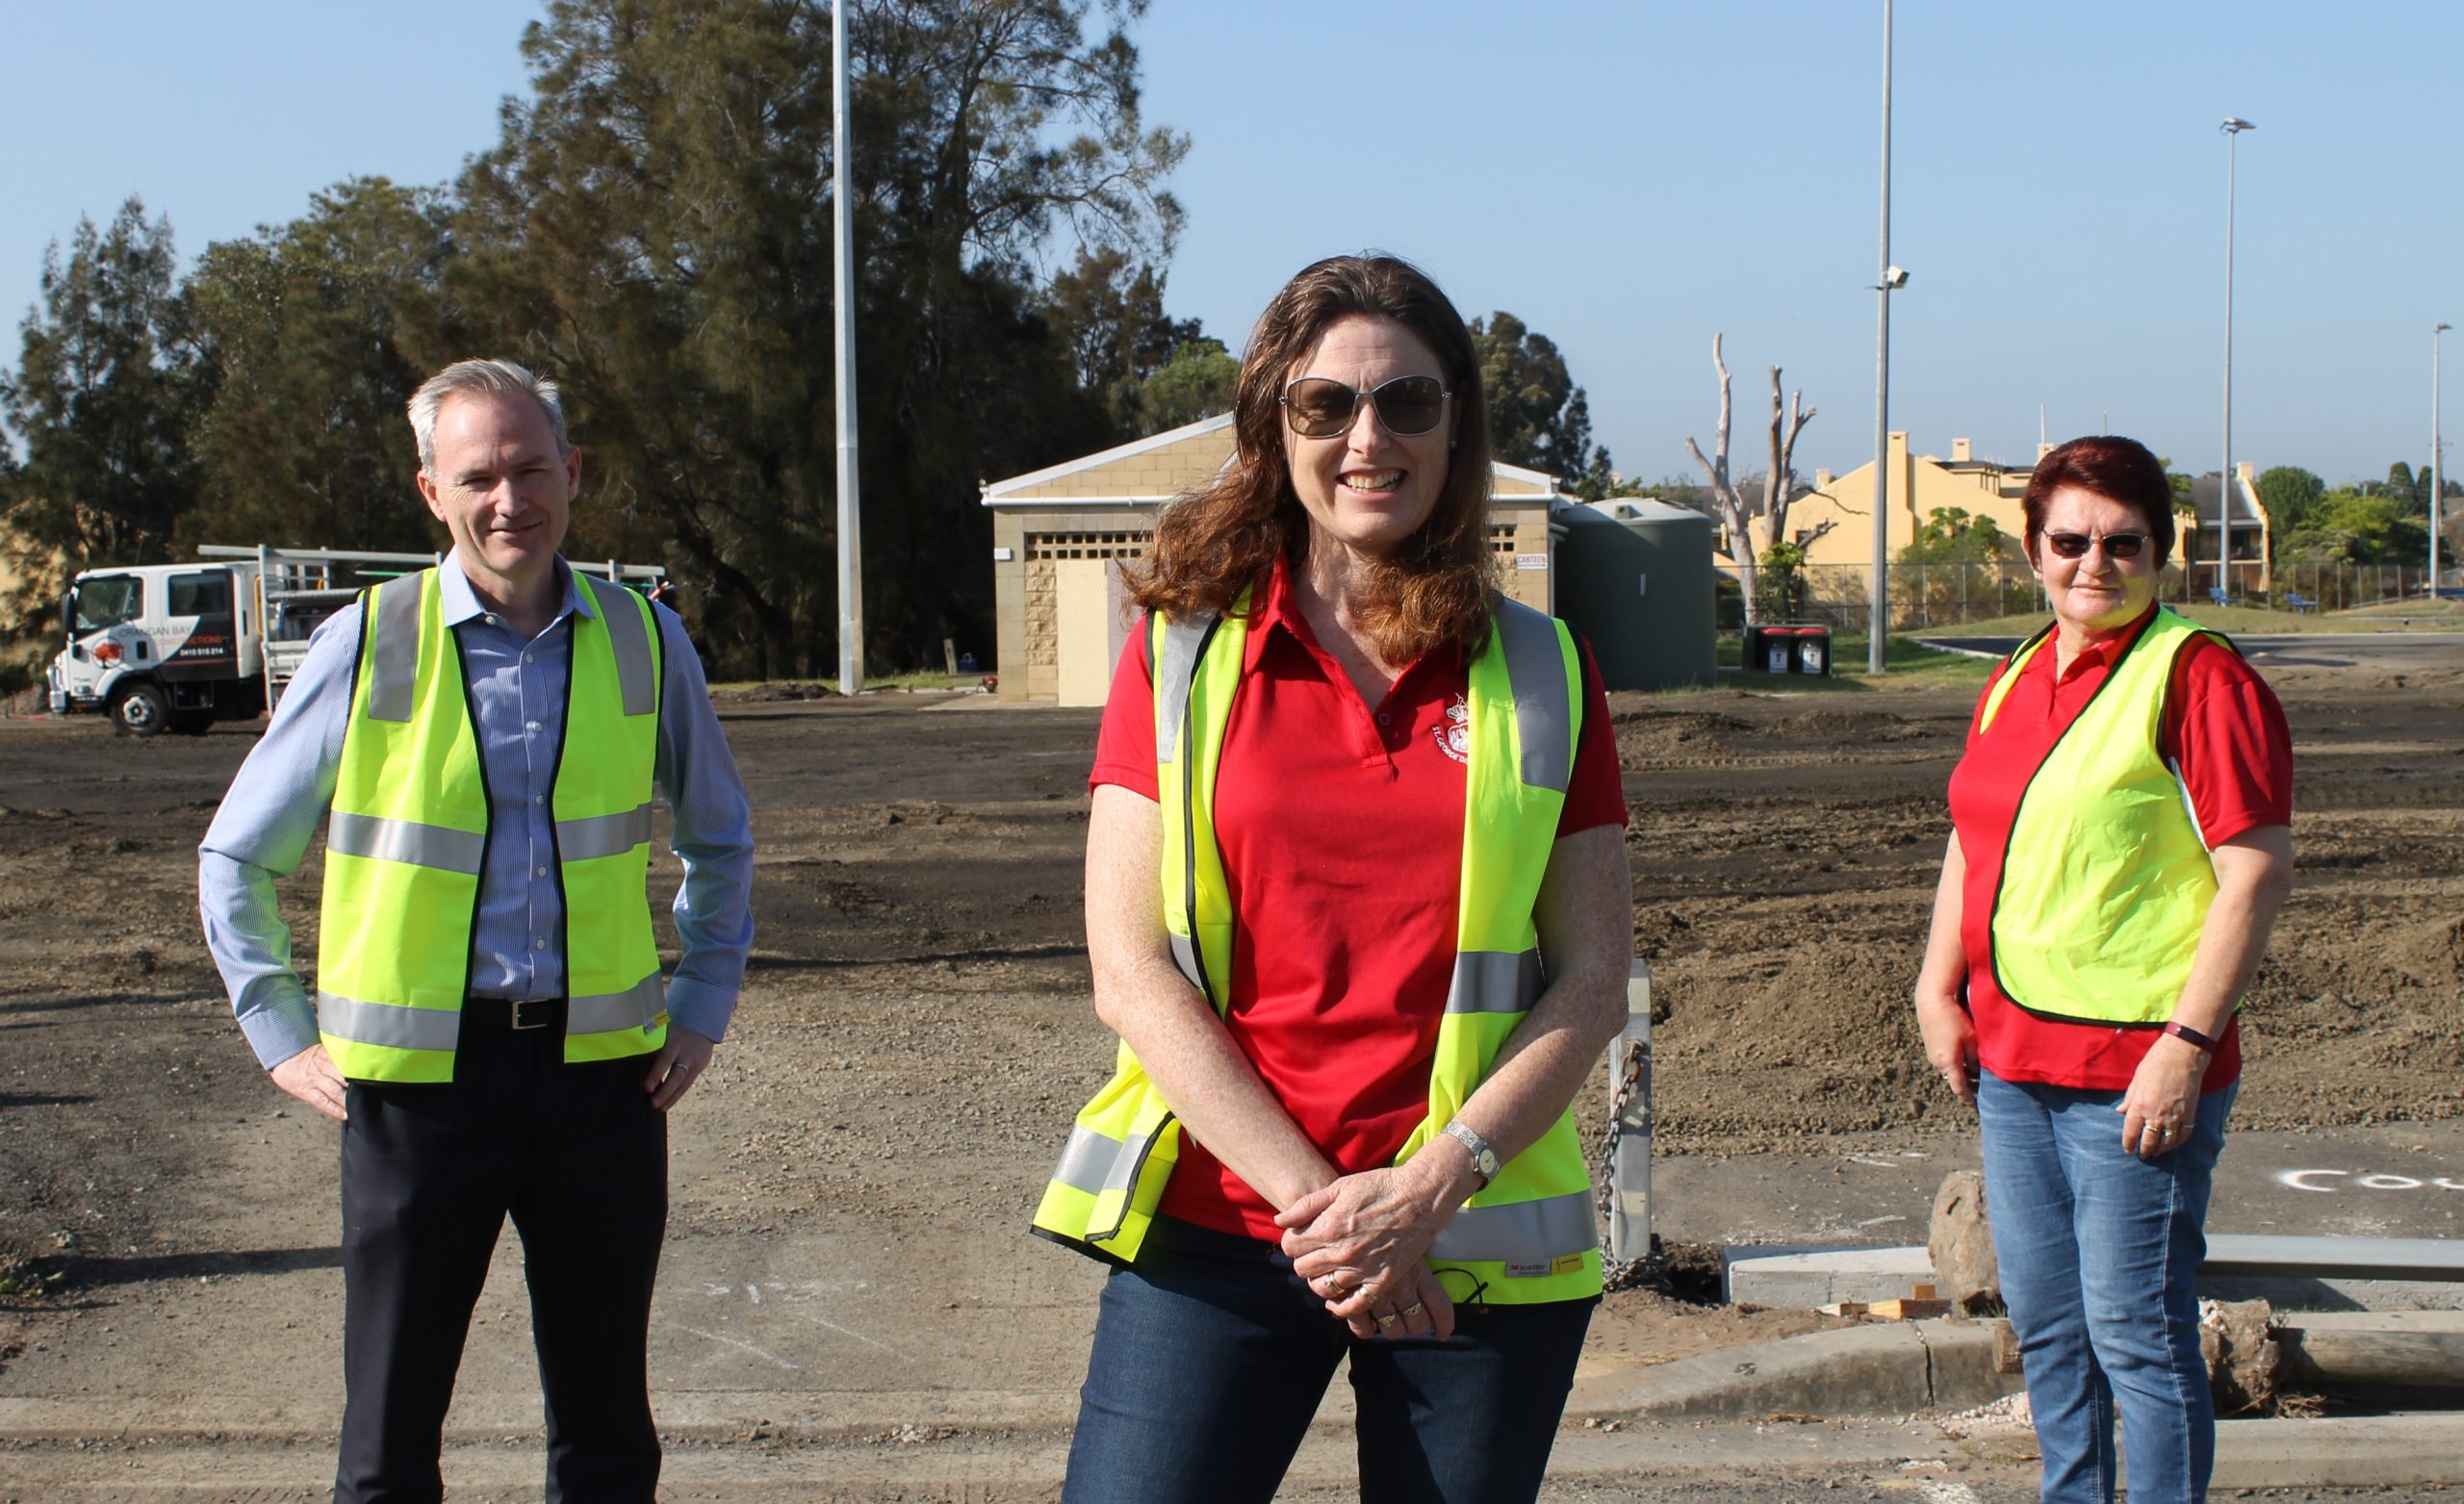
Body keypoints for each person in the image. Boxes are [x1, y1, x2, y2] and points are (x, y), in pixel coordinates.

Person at [1030, 254, 1633, 1504]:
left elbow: (1591, 974)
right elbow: (1129, 967)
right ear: (1273, 423)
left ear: (1454, 425)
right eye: (1326, 406)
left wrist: (1424, 1188)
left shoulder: (1545, 669)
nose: (1370, 436)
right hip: (1228, 1222)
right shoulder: (1182, 654)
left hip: (1466, 1237)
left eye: (1408, 401)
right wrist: (1335, 1215)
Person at [197, 358, 755, 1503]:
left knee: (607, 1434)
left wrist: (700, 1008)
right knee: (390, 1440)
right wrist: (279, 1030)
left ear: (573, 475)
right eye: (480, 476)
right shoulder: (370, 641)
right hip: (419, 1094)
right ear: (431, 493)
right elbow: (235, 857)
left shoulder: (648, 641)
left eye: (531, 469)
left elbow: (721, 841)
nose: (511, 500)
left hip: (603, 1084)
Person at [1912, 435, 2293, 1504]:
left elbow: (2253, 873)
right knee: (2049, 1326)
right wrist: (1936, 984)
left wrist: (2186, 1047)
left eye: (2122, 543)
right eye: (2069, 541)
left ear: (2159, 552)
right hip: (2012, 1068)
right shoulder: (2015, 674)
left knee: (2136, 1331)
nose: (2094, 563)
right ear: (2031, 550)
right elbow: (1972, 834)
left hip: (2135, 1075)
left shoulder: (2200, 678)